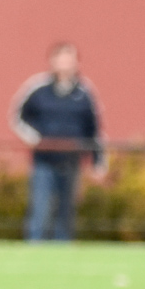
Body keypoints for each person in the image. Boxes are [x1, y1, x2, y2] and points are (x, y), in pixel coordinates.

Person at [9, 43, 106, 241]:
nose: (65, 63)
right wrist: (35, 139)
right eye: (60, 58)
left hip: (71, 161)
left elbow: (94, 130)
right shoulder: (38, 89)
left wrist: (98, 162)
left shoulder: (85, 93)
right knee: (40, 212)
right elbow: (17, 116)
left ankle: (63, 257)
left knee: (66, 214)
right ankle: (34, 253)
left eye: (69, 58)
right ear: (52, 61)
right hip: (44, 161)